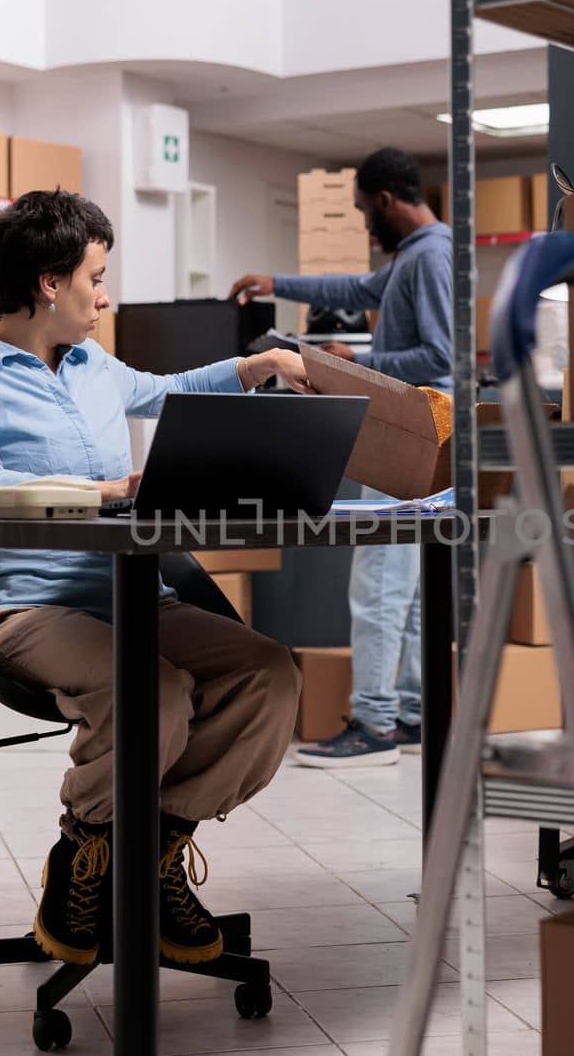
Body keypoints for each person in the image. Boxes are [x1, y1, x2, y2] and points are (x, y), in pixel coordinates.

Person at [0, 189, 310, 969]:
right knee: (155, 691)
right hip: (32, 606)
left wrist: (259, 365)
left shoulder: (94, 364)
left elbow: (170, 390)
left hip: (135, 592)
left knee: (269, 674)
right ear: (48, 284)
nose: (104, 295)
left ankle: (156, 850)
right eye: (95, 278)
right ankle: (83, 851)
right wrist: (105, 492)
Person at [228, 147, 451, 768]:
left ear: (385, 200)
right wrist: (277, 284)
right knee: (405, 584)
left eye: (361, 212)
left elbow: (442, 356)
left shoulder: (430, 256)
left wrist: (357, 364)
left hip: (413, 437)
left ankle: (375, 723)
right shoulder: (420, 253)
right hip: (425, 436)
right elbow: (355, 288)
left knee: (380, 581)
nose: (361, 224)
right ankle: (407, 712)